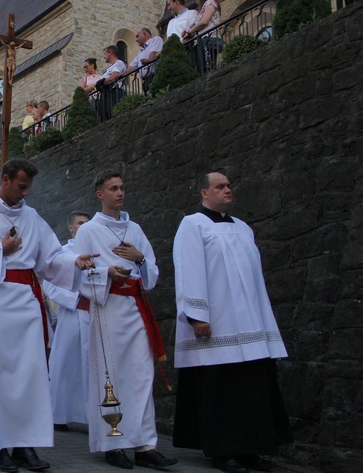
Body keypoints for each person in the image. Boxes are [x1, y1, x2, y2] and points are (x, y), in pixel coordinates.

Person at [0, 158, 97, 473]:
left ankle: (25, 445)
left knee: (30, 376)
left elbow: (51, 255)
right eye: (21, 186)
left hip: (28, 303)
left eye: (29, 187)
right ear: (5, 180)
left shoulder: (31, 216)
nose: (25, 193)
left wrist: (74, 261)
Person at [172, 172, 291, 473]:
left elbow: (254, 280)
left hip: (249, 325)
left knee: (251, 387)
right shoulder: (192, 224)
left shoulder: (243, 227)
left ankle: (252, 450)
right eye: (220, 186)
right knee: (221, 389)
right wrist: (198, 315)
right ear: (204, 192)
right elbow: (189, 269)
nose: (227, 190)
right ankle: (225, 452)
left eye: (228, 186)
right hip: (217, 324)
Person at [73, 171, 177, 470]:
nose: (120, 193)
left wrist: (140, 258)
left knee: (142, 376)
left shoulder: (135, 228)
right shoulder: (88, 231)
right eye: (113, 188)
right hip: (107, 308)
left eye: (122, 188)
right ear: (100, 194)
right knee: (110, 376)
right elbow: (78, 272)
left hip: (135, 307)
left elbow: (152, 272)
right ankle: (113, 443)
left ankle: (145, 445)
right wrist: (106, 272)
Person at [46, 211, 91, 432]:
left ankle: (91, 415)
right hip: (72, 313)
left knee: (92, 366)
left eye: (88, 223)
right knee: (64, 364)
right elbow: (50, 283)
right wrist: (75, 298)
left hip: (95, 314)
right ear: (71, 228)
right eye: (80, 223)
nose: (84, 226)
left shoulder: (98, 250)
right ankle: (58, 413)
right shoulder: (63, 253)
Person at [183, 0, 222, 71]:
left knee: (208, 68)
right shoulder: (201, 10)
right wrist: (189, 32)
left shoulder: (210, 3)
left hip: (208, 40)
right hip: (201, 42)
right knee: (202, 69)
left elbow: (204, 22)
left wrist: (190, 32)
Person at [124, 28, 164, 95]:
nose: (136, 40)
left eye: (137, 36)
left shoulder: (156, 40)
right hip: (146, 80)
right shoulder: (140, 51)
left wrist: (148, 60)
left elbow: (153, 54)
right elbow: (132, 66)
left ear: (145, 34)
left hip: (156, 76)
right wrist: (122, 75)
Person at [95, 46, 127, 122]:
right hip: (108, 93)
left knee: (114, 114)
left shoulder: (119, 63)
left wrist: (102, 83)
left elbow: (114, 75)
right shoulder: (109, 68)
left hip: (116, 91)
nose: (104, 56)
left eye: (105, 54)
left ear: (110, 53)